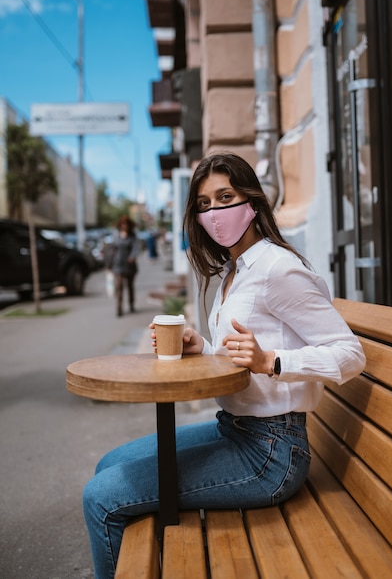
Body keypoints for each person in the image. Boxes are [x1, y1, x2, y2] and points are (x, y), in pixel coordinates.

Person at [83, 152, 366, 578]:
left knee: (102, 497)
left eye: (225, 197)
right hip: (233, 428)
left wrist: (272, 361)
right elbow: (242, 352)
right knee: (110, 464)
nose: (215, 212)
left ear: (251, 202)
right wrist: (204, 347)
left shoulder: (277, 269)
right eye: (203, 204)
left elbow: (350, 353)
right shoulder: (235, 270)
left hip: (271, 454)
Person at [105, 215, 140, 317]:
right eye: (123, 224)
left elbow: (136, 248)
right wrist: (108, 263)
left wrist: (132, 257)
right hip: (118, 265)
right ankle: (119, 308)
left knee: (130, 286)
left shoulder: (132, 236)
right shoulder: (116, 236)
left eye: (126, 224)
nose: (124, 226)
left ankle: (131, 304)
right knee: (119, 286)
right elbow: (111, 250)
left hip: (129, 266)